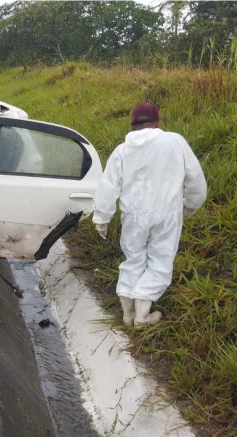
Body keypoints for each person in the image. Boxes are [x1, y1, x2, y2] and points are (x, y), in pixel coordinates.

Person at [92, 102, 207, 327]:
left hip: (133, 215)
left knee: (133, 258)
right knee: (160, 260)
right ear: (157, 122)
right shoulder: (175, 142)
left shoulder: (122, 150)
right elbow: (195, 177)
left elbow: (108, 185)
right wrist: (192, 203)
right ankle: (143, 315)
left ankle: (127, 314)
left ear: (132, 125)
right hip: (167, 213)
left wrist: (102, 217)